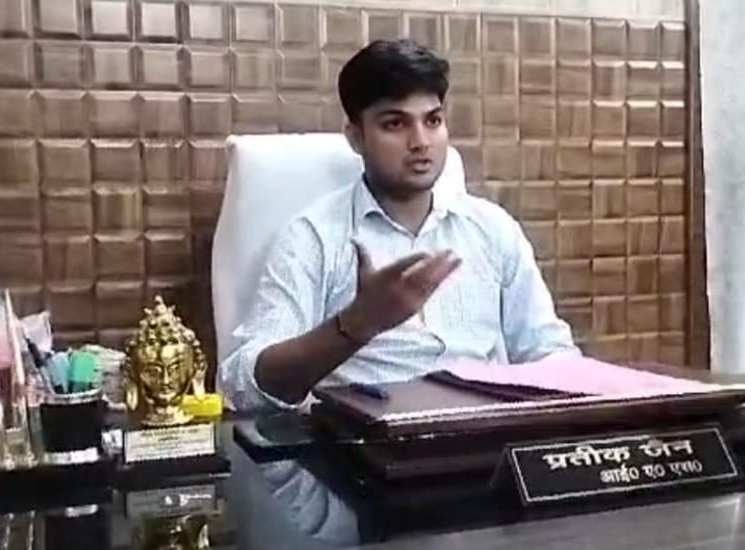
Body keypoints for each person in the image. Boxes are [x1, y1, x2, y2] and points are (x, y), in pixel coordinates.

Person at [218, 39, 578, 411]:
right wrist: (355, 324)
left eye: (432, 121)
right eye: (395, 123)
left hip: (484, 431)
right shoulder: (314, 237)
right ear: (356, 137)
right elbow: (242, 386)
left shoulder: (492, 228)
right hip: (365, 439)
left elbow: (549, 352)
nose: (420, 142)